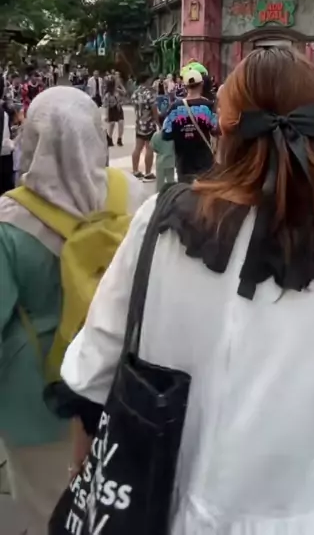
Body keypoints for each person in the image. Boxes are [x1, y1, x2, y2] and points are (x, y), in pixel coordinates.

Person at [60, 47, 314, 535]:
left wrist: (82, 472)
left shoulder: (160, 225)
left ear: (224, 125)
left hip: (159, 509)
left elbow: (94, 365)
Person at [0, 86, 143, 535]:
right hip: (120, 385)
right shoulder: (133, 194)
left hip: (37, 398)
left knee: (49, 511)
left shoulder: (9, 219)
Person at [162, 66, 217, 183]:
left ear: (185, 86)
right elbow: (216, 130)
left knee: (185, 190)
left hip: (183, 161)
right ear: (201, 84)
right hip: (204, 160)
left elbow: (166, 134)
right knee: (205, 190)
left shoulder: (175, 107)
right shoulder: (208, 106)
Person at [131, 72, 158, 181]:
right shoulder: (150, 93)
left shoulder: (135, 93)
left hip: (139, 123)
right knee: (149, 148)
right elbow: (154, 110)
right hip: (149, 124)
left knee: (138, 147)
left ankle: (135, 170)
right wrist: (158, 123)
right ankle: (148, 172)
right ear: (147, 80)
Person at [103, 76, 125, 148]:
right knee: (112, 124)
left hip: (118, 108)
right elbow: (106, 106)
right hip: (111, 109)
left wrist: (120, 85)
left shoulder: (117, 91)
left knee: (121, 123)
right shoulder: (108, 94)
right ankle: (109, 138)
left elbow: (124, 92)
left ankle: (119, 139)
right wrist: (106, 115)